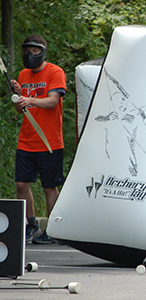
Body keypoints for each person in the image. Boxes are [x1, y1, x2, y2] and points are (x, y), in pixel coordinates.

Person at [11, 34, 66, 244]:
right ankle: (31, 224)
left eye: (34, 50)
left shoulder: (55, 71)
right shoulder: (23, 74)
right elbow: (20, 109)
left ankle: (53, 229)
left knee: (49, 187)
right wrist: (18, 94)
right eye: (26, 50)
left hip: (49, 141)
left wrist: (29, 97)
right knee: (21, 184)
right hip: (26, 140)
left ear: (42, 51)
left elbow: (52, 102)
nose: (29, 54)